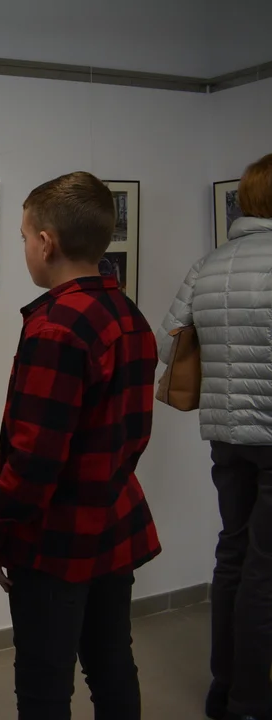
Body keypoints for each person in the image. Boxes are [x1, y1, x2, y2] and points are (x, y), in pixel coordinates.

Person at [0, 171, 160, 720]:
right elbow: (131, 435)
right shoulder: (129, 315)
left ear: (46, 242)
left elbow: (35, 459)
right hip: (113, 521)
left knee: (44, 687)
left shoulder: (55, 328)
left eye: (24, 237)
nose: (25, 248)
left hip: (56, 539)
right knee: (112, 664)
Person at [158, 153, 272, 720]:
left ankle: (223, 689)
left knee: (233, 552)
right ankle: (251, 702)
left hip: (225, 432)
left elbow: (169, 343)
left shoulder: (208, 265)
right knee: (264, 568)